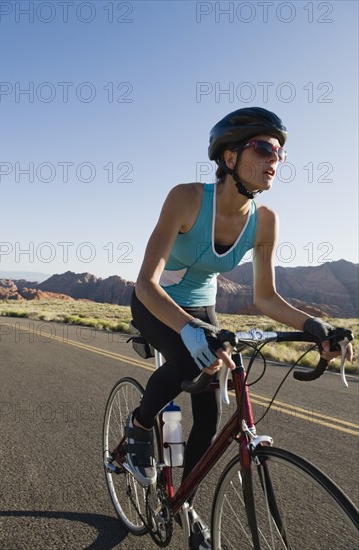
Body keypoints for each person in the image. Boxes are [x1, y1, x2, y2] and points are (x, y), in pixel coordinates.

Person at [126, 107, 353, 549]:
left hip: (203, 307)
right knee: (183, 361)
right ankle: (138, 424)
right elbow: (146, 282)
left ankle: (183, 502)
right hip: (156, 304)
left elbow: (264, 298)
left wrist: (315, 325)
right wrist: (190, 330)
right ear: (229, 158)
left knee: (209, 415)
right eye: (265, 147)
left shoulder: (265, 220)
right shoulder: (187, 198)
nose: (276, 159)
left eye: (281, 152)